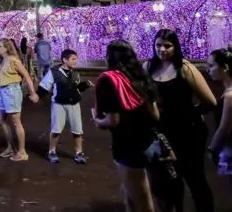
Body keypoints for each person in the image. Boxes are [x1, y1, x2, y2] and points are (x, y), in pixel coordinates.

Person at [144, 29, 216, 212]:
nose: (162, 49)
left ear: (176, 46)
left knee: (195, 178)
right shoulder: (148, 67)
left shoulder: (185, 68)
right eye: (158, 45)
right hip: (163, 134)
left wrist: (190, 113)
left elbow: (210, 101)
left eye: (167, 45)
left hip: (189, 132)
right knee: (169, 180)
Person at [93, 39, 162, 212]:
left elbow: (113, 121)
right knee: (132, 193)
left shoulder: (109, 80)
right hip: (151, 142)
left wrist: (97, 121)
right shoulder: (141, 75)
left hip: (128, 146)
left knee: (142, 201)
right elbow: (155, 115)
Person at [37, 49, 92, 164]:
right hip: (59, 104)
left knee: (77, 129)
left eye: (76, 59)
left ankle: (79, 153)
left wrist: (85, 85)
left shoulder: (75, 73)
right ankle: (52, 152)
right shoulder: (54, 72)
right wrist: (37, 96)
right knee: (56, 129)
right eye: (73, 59)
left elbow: (76, 89)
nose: (75, 61)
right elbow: (44, 87)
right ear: (64, 60)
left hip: (74, 104)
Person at [0, 38, 38, 161]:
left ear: (7, 48)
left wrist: (33, 92)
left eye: (1, 46)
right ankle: (10, 147)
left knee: (16, 122)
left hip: (12, 91)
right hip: (3, 91)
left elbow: (27, 76)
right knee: (0, 120)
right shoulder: (2, 61)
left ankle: (22, 152)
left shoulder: (13, 60)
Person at [207, 45, 232, 197]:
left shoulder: (230, 96)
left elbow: (224, 128)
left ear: (225, 68)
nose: (208, 70)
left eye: (212, 66)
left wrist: (212, 149)